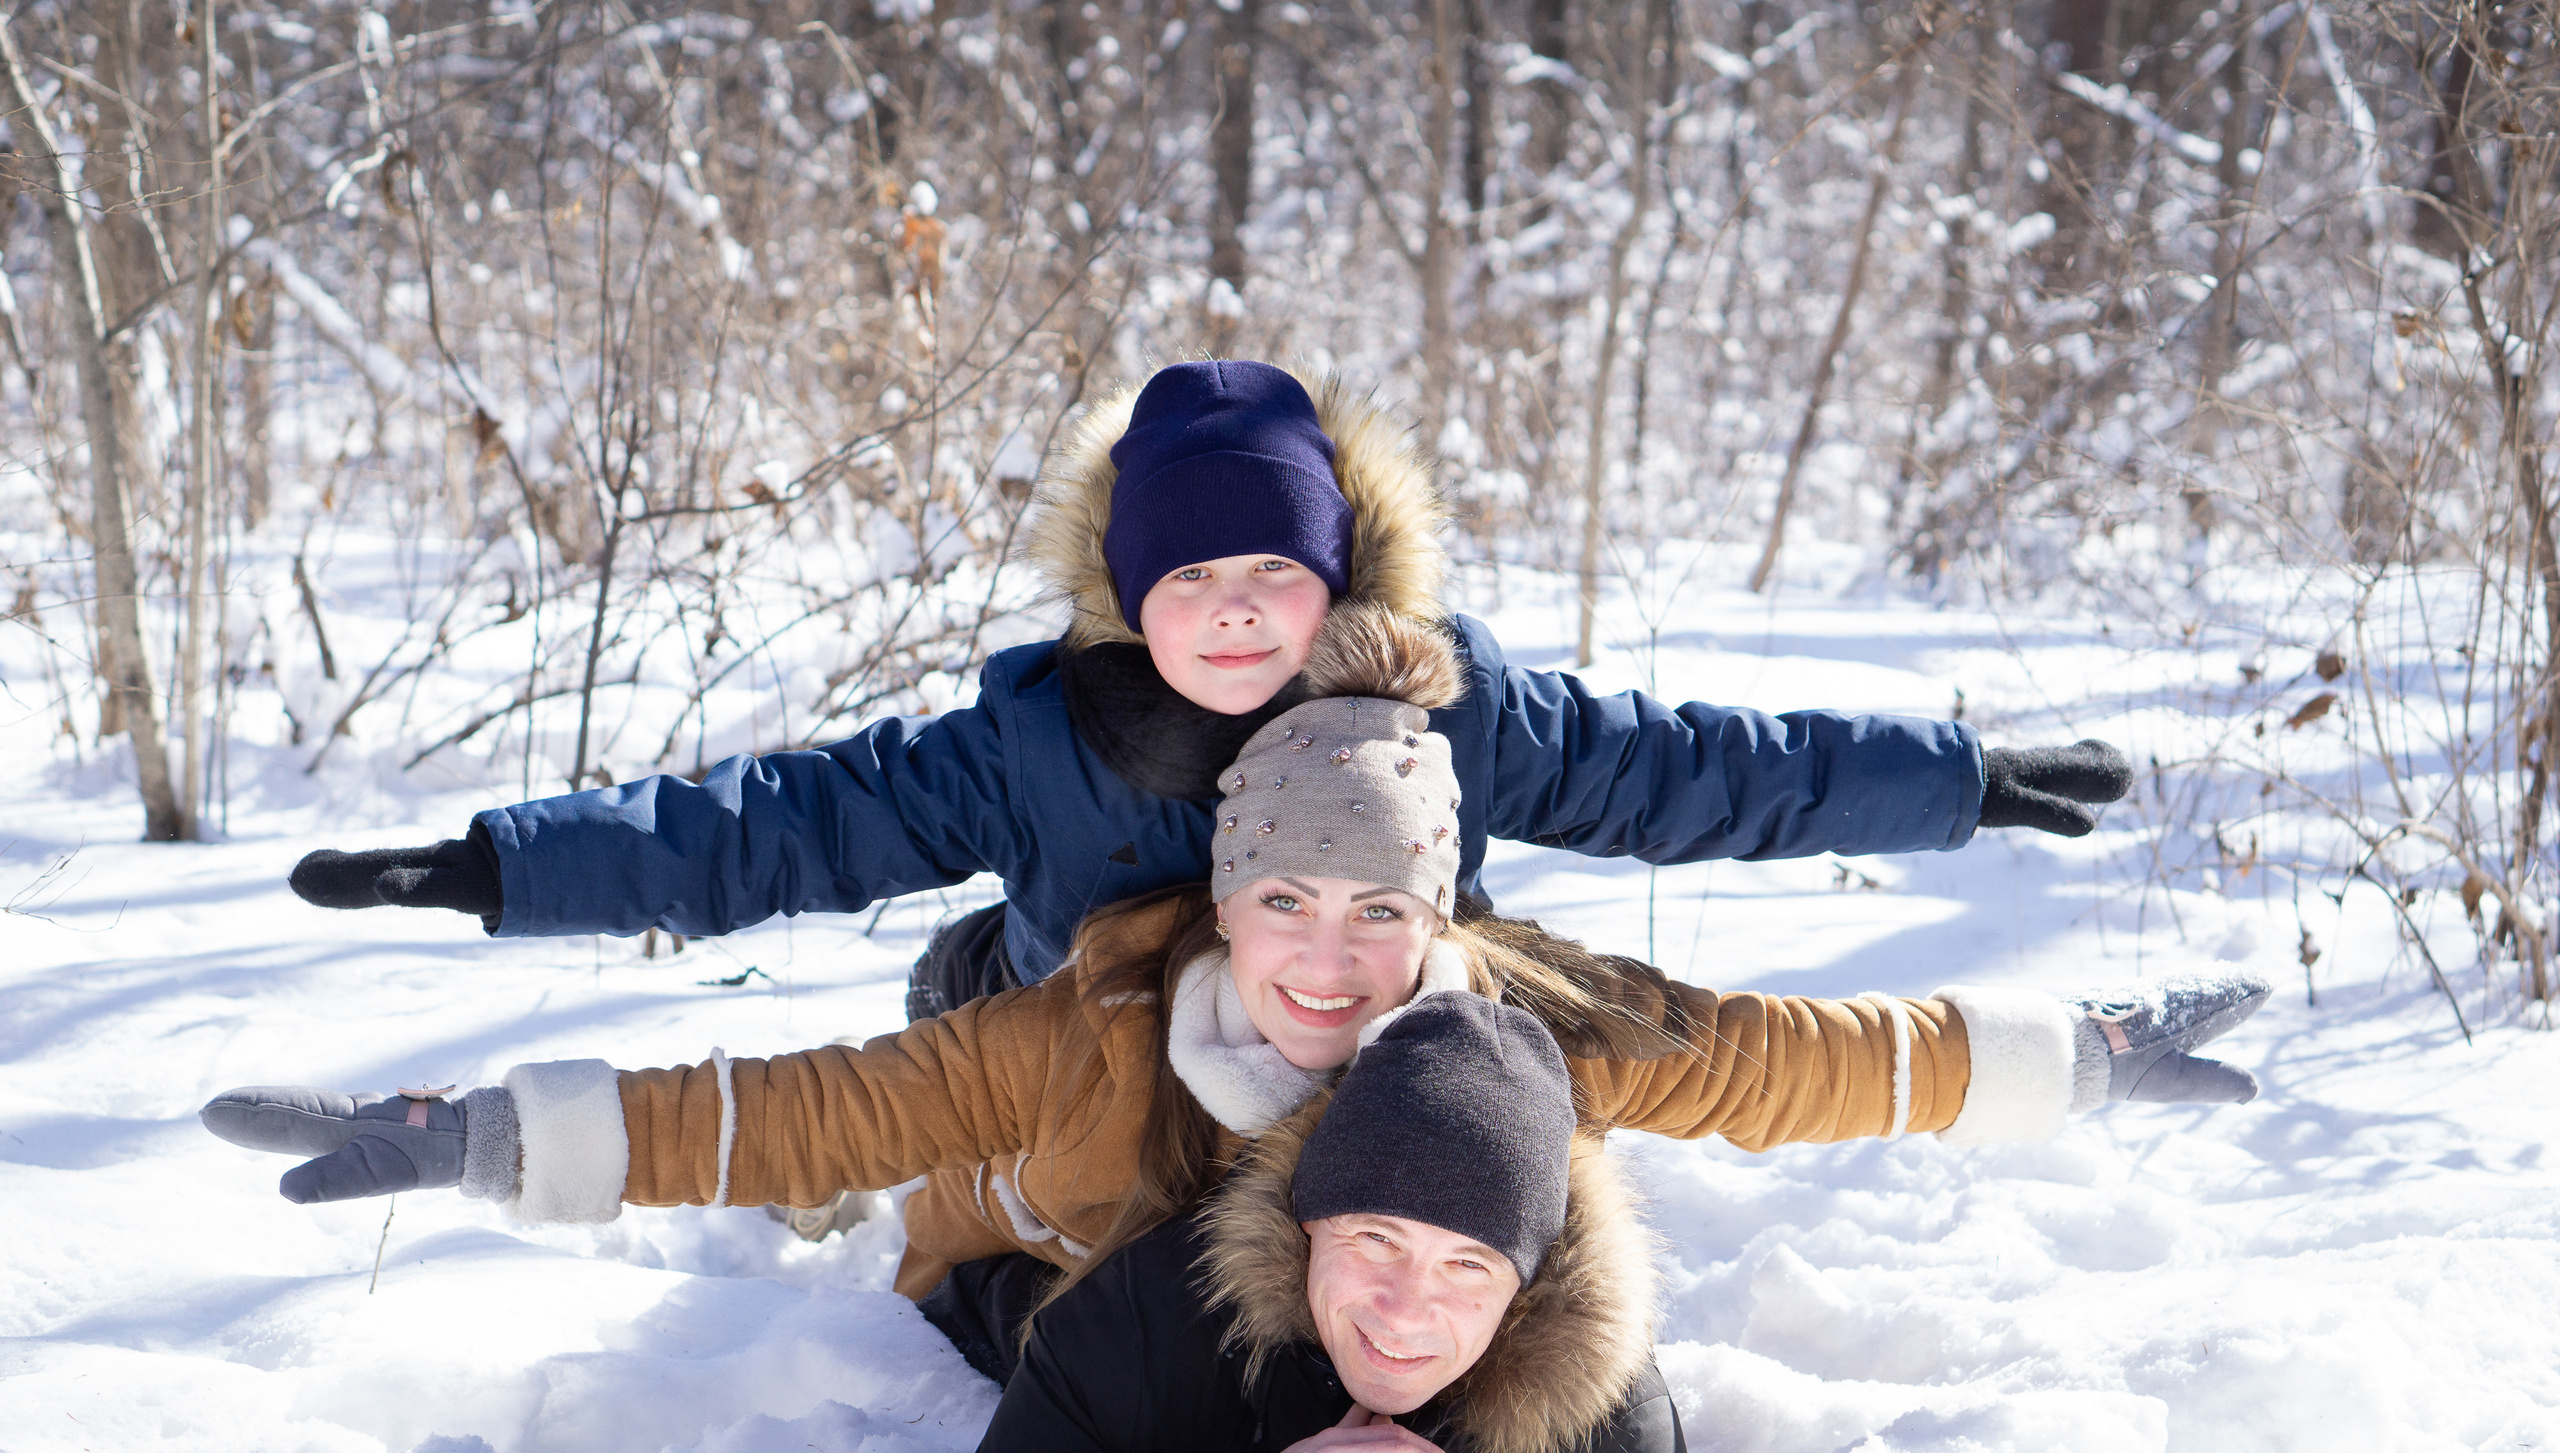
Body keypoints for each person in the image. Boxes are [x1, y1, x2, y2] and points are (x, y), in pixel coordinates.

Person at [204, 610, 2267, 1375]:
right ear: (1221, 894)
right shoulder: (1102, 1013)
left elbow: (1784, 1060)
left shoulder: (1493, 1013)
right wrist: (473, 1132)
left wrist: (2068, 1063)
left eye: (1383, 923)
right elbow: (797, 1106)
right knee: (1085, 1291)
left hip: (1336, 1234)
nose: (1337, 965)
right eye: (1288, 910)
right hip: (1042, 1224)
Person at [286, 360, 2133, 1026]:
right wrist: (501, 868)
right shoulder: (1036, 743)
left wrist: (1959, 779)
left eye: (1276, 573)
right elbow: (782, 828)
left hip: (1347, 1018)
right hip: (1092, 1021)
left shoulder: (1454, 709)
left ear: (1338, 577)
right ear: (1129, 592)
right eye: (1194, 580)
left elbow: (1713, 773)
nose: (1239, 612)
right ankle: (966, 996)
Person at [944, 989, 1694, 1453]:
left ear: (1524, 1284)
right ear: (1308, 1223)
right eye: (1376, 1238)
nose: (1405, 1311)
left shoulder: (1609, 1425)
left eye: (1469, 1264)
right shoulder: (1148, 1308)